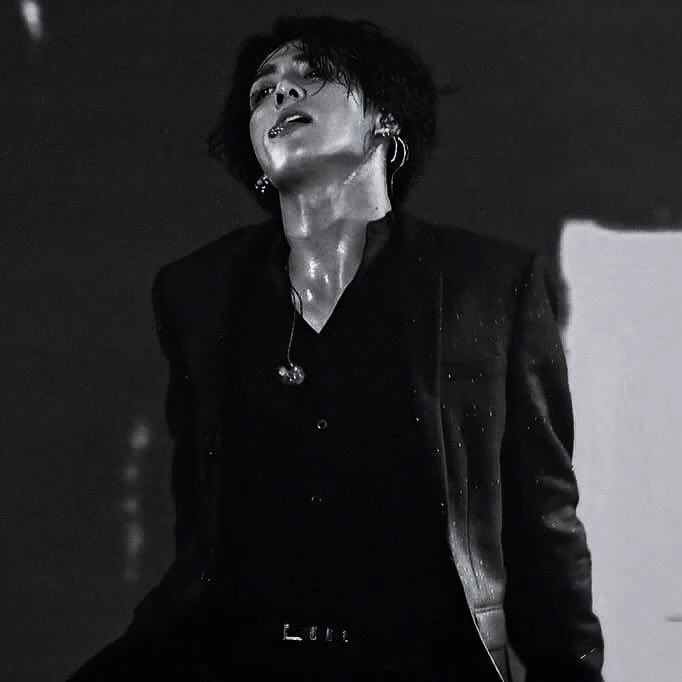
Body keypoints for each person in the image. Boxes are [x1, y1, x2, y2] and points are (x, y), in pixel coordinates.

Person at [68, 15, 604, 681]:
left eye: (312, 76)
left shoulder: (489, 286)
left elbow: (542, 519)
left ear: (385, 119)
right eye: (263, 90)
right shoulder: (197, 291)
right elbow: (200, 526)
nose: (280, 93)